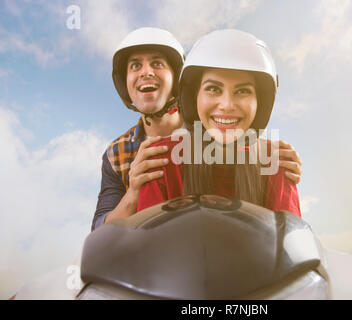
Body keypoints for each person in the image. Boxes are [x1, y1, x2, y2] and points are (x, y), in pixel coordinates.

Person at [135, 29, 352, 300]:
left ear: (261, 103)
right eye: (213, 89)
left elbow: (297, 256)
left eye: (242, 91)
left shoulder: (276, 163)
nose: (227, 105)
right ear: (194, 96)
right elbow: (145, 259)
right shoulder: (160, 158)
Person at [92, 27, 303, 230]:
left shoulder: (270, 160)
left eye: (157, 63)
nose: (227, 105)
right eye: (135, 66)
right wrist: (133, 194)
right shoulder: (119, 155)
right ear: (194, 96)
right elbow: (103, 235)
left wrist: (270, 159)